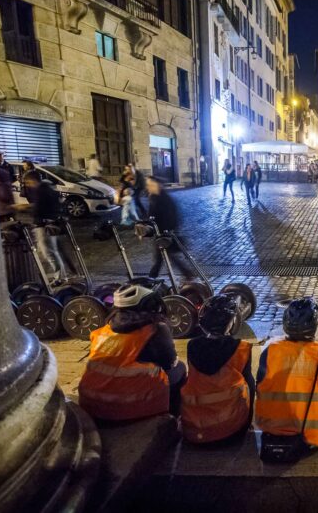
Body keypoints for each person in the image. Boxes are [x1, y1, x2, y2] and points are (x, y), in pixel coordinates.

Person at [78, 281, 187, 420]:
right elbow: (168, 362)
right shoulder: (155, 329)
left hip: (90, 402)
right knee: (180, 368)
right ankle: (171, 419)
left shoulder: (105, 329)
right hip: (123, 407)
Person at [255, 298, 318, 450]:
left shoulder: (270, 352)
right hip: (315, 436)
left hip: (272, 430)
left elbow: (260, 388)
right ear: (314, 324)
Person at [181, 295, 254, 443]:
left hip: (194, 431)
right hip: (231, 431)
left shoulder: (192, 346)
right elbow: (251, 386)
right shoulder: (242, 348)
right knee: (247, 384)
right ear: (230, 323)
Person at [146, 176, 195, 279]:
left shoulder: (165, 199)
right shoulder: (153, 198)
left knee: (161, 258)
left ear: (157, 185)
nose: (148, 187)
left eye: (150, 185)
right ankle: (187, 273)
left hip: (164, 233)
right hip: (159, 233)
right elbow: (150, 216)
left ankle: (151, 278)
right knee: (164, 257)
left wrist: (166, 231)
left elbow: (172, 216)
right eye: (148, 185)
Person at [23, 173, 68, 282]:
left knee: (49, 252)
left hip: (43, 225)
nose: (28, 185)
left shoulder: (40, 191)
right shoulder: (49, 189)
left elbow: (38, 209)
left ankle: (60, 277)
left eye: (28, 182)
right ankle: (51, 276)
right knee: (48, 252)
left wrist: (26, 208)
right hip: (51, 224)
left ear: (33, 180)